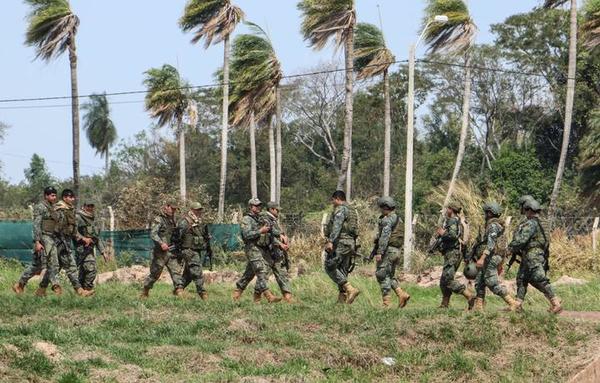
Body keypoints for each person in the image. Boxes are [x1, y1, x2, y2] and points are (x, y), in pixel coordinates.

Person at [508, 198, 562, 313]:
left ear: (528, 209)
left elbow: (522, 240)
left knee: (539, 278)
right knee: (522, 279)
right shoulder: (541, 222)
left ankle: (556, 303)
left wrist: (509, 248)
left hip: (533, 255)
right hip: (530, 255)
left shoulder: (531, 223)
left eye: (525, 209)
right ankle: (517, 304)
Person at [39, 189, 94, 297]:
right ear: (65, 198)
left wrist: (83, 238)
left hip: (64, 242)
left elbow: (72, 229)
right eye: (70, 197)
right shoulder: (59, 209)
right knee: (71, 267)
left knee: (55, 268)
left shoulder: (69, 209)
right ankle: (80, 291)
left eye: (73, 197)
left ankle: (41, 290)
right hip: (59, 243)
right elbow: (54, 228)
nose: (73, 199)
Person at [472, 202, 519, 311]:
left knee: (492, 283)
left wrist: (482, 258)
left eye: (486, 212)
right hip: (493, 257)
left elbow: (491, 244)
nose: (485, 214)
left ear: (490, 213)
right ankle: (478, 307)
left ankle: (512, 303)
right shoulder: (497, 225)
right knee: (480, 281)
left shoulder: (493, 226)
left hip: (490, 258)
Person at [233, 198, 281, 303]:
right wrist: (260, 231)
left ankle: (237, 294)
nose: (258, 207)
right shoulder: (247, 219)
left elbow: (272, 230)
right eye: (256, 206)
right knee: (261, 270)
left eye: (259, 205)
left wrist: (280, 234)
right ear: (250, 207)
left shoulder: (260, 218)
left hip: (261, 248)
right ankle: (268, 296)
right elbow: (246, 235)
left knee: (249, 273)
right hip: (252, 248)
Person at [12, 186, 58, 295]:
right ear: (46, 196)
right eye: (52, 195)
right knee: (37, 266)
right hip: (42, 240)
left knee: (41, 265)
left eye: (55, 195)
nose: (54, 197)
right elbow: (36, 225)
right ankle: (21, 285)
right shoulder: (40, 207)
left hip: (51, 239)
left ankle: (25, 286)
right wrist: (37, 242)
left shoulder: (53, 208)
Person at [140, 200, 185, 298]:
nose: (173, 211)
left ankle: (180, 291)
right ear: (166, 207)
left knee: (176, 272)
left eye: (174, 209)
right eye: (172, 208)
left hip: (172, 251)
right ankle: (145, 290)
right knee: (155, 274)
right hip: (160, 253)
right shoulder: (159, 219)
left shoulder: (174, 220)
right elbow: (153, 234)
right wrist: (161, 243)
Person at [323, 190, 360, 304]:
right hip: (350, 243)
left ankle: (350, 289)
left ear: (338, 199)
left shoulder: (341, 209)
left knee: (330, 266)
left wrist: (330, 241)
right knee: (342, 270)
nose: (332, 202)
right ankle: (341, 300)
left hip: (341, 242)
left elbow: (337, 226)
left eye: (333, 200)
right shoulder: (352, 210)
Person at [373, 196, 410, 308]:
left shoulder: (388, 219)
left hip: (388, 251)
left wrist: (379, 251)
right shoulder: (399, 219)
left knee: (382, 275)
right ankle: (401, 294)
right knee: (389, 276)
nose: (380, 210)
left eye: (381, 208)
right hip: (397, 251)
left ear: (386, 207)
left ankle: (386, 304)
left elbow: (385, 236)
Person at [436, 201, 474, 308]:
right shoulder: (458, 221)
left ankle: (469, 296)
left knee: (447, 279)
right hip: (455, 253)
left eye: (448, 208)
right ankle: (445, 303)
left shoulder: (452, 220)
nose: (446, 210)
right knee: (444, 280)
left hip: (453, 253)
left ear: (451, 210)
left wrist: (443, 233)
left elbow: (452, 235)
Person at [259, 201, 293, 303]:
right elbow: (269, 236)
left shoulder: (274, 220)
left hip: (276, 252)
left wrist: (283, 236)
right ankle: (257, 297)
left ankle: (288, 297)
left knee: (282, 274)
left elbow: (277, 232)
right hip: (267, 253)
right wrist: (280, 244)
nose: (278, 211)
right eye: (277, 209)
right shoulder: (265, 219)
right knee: (263, 275)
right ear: (271, 209)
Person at [177, 202, 209, 300]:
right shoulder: (185, 221)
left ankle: (179, 288)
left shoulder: (199, 221)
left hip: (197, 250)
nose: (199, 211)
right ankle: (203, 294)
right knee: (197, 272)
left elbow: (203, 234)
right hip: (189, 250)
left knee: (189, 274)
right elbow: (178, 236)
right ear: (192, 210)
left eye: (200, 209)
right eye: (197, 209)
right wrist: (180, 251)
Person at [75, 202, 107, 293]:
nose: (90, 208)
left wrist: (103, 252)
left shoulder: (93, 219)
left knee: (83, 271)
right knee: (91, 269)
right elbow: (73, 232)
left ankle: (81, 292)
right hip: (81, 248)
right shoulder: (78, 217)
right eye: (88, 206)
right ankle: (88, 289)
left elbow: (96, 237)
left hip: (89, 249)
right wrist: (83, 238)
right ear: (84, 206)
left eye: (92, 206)